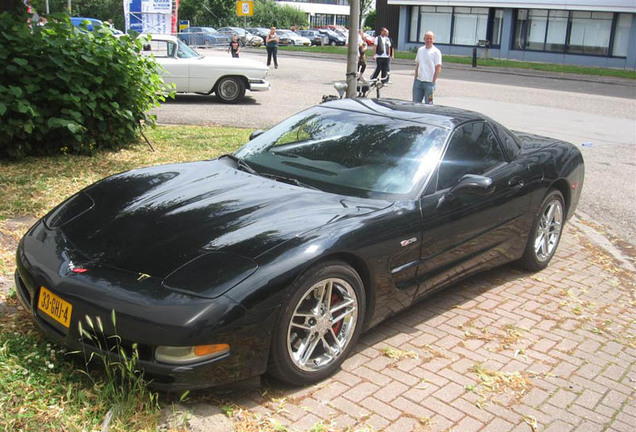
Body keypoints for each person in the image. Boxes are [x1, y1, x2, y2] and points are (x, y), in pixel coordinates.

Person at [413, 31, 442, 104]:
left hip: (429, 83)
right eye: (427, 38)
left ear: (433, 40)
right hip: (419, 82)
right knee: (415, 104)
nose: (429, 40)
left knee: (429, 103)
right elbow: (417, 64)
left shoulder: (436, 52)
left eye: (430, 38)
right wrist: (416, 77)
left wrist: (433, 81)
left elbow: (438, 68)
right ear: (424, 39)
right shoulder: (420, 50)